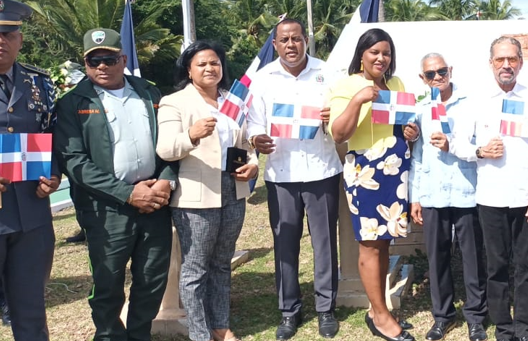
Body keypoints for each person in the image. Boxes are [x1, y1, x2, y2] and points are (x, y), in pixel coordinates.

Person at [55, 27, 174, 341]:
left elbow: (170, 141)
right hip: (105, 208)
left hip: (154, 202)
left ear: (123, 58)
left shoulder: (149, 92)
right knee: (107, 283)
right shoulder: (72, 103)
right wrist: (127, 193)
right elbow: (74, 161)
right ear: (85, 64)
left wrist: (166, 181)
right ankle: (109, 335)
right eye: (94, 61)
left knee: (151, 278)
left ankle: (139, 335)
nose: (102, 67)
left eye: (108, 59)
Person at [451, 36, 528, 341]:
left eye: (512, 59)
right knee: (496, 266)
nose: (506, 65)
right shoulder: (478, 101)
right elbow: (457, 143)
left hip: (527, 197)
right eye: (500, 60)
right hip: (491, 197)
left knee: (526, 266)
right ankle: (503, 327)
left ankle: (523, 327)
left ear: (521, 63)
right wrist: (480, 152)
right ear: (491, 64)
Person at [156, 40, 259, 341]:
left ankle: (220, 326)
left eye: (214, 62)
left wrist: (252, 163)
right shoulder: (174, 102)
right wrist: (191, 134)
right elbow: (165, 148)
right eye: (201, 64)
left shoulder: (233, 101)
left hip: (233, 190)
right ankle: (200, 334)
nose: (209, 68)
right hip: (196, 196)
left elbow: (245, 142)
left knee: (221, 263)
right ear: (189, 70)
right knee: (195, 269)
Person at [247, 19, 343, 340]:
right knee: (284, 244)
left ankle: (325, 308)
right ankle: (289, 311)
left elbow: (343, 118)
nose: (291, 45)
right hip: (281, 173)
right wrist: (257, 139)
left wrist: (335, 117)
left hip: (322, 170)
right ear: (275, 44)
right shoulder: (262, 79)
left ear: (306, 41)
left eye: (297, 39)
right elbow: (254, 124)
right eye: (284, 40)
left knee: (325, 243)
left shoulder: (328, 73)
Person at [329, 28, 418, 341]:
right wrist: (357, 100)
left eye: (387, 53)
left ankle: (378, 309)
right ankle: (380, 316)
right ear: (362, 55)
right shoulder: (348, 85)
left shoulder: (397, 84)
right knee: (370, 242)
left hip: (395, 169)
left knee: (385, 241)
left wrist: (410, 131)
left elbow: (402, 123)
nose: (381, 58)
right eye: (375, 52)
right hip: (365, 170)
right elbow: (339, 133)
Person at [409, 53, 488, 341]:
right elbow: (416, 156)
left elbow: (481, 145)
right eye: (430, 74)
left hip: (467, 190)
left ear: (450, 70)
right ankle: (442, 316)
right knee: (437, 258)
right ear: (423, 78)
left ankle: (476, 317)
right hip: (433, 192)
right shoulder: (420, 110)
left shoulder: (472, 105)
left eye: (441, 71)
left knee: (473, 257)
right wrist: (415, 197)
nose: (437, 77)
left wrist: (453, 144)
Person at [0, 0, 57, 340]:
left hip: (31, 217)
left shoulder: (41, 84)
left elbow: (53, 137)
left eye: (8, 33)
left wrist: (54, 176)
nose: (1, 41)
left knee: (31, 312)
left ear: (20, 38)